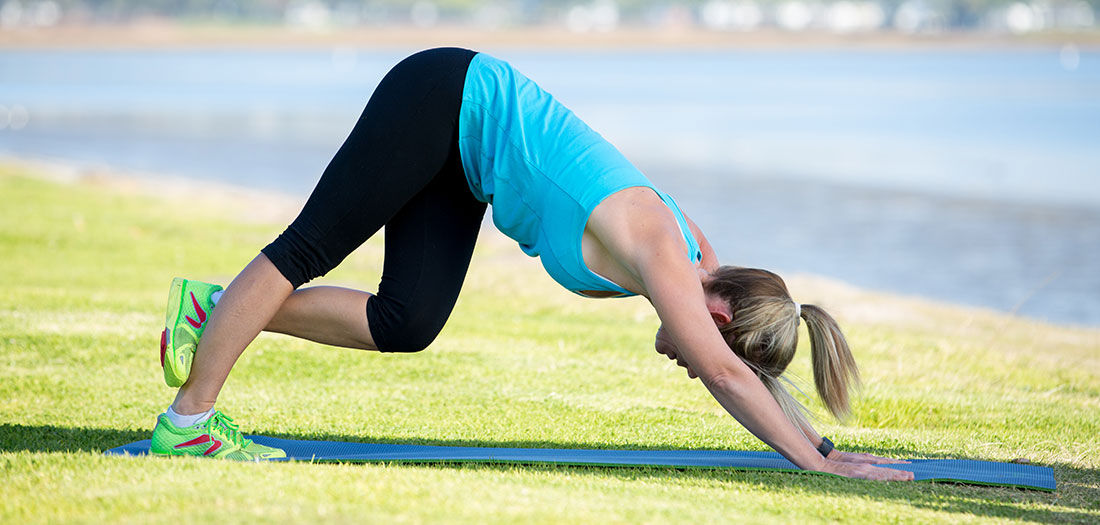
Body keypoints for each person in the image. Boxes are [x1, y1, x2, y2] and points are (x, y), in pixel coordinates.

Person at [150, 47, 913, 481]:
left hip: (464, 162)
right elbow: (727, 372)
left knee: (407, 319)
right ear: (717, 316)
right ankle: (187, 423)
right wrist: (822, 470)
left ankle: (213, 316)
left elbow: (739, 371)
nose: (693, 363)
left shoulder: (700, 259)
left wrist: (821, 442)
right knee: (307, 248)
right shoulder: (662, 248)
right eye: (709, 344)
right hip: (444, 98)